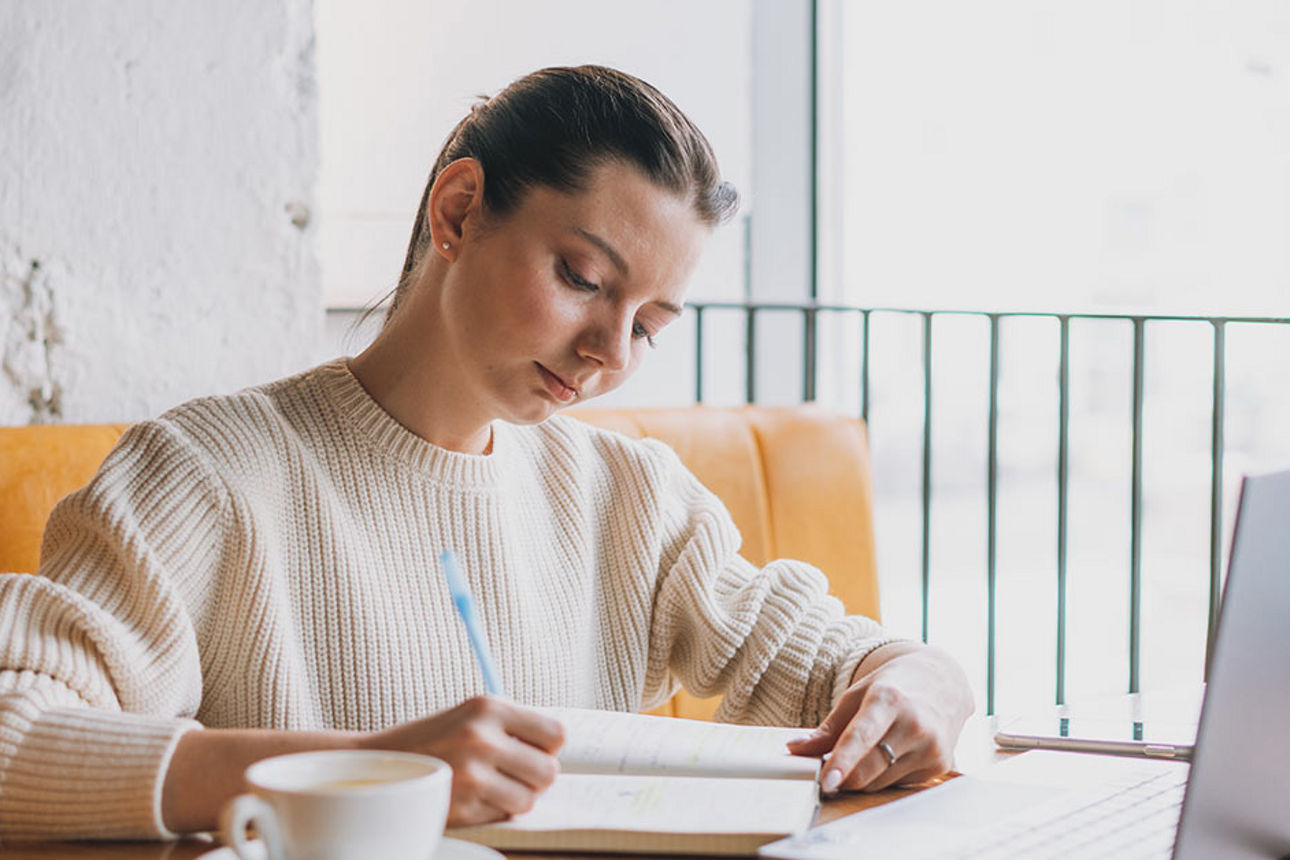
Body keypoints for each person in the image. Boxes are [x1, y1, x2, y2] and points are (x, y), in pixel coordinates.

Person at [0, 65, 973, 843]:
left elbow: (830, 658)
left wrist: (921, 679)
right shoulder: (202, 476)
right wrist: (373, 771)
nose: (608, 351)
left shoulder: (627, 496)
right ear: (458, 210)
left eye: (651, 325)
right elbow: (16, 741)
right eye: (582, 278)